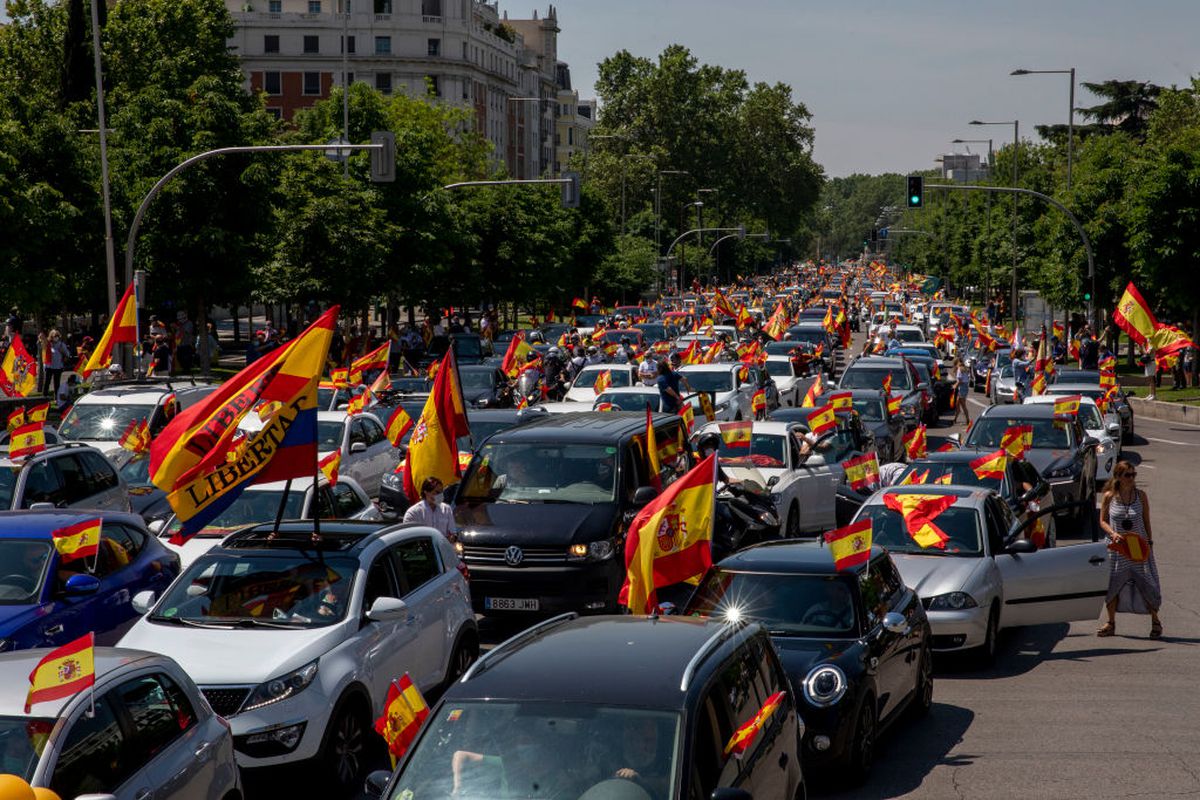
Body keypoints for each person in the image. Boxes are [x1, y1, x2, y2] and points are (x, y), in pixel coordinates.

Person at [1097, 461, 1162, 639]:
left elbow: (1146, 521)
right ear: (1118, 476)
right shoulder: (1110, 496)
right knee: (1112, 585)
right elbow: (1102, 521)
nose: (1131, 479)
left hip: (1137, 546)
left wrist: (1149, 542)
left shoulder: (1141, 496)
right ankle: (1110, 623)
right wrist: (1112, 533)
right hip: (1117, 548)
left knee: (1146, 583)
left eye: (1134, 475)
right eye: (1128, 475)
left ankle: (1155, 621)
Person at [950, 357, 971, 427]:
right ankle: (955, 419)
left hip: (962, 387)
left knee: (962, 405)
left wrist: (954, 386)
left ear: (956, 363)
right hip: (964, 387)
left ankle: (967, 420)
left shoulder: (959, 369)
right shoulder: (964, 368)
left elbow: (960, 381)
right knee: (957, 404)